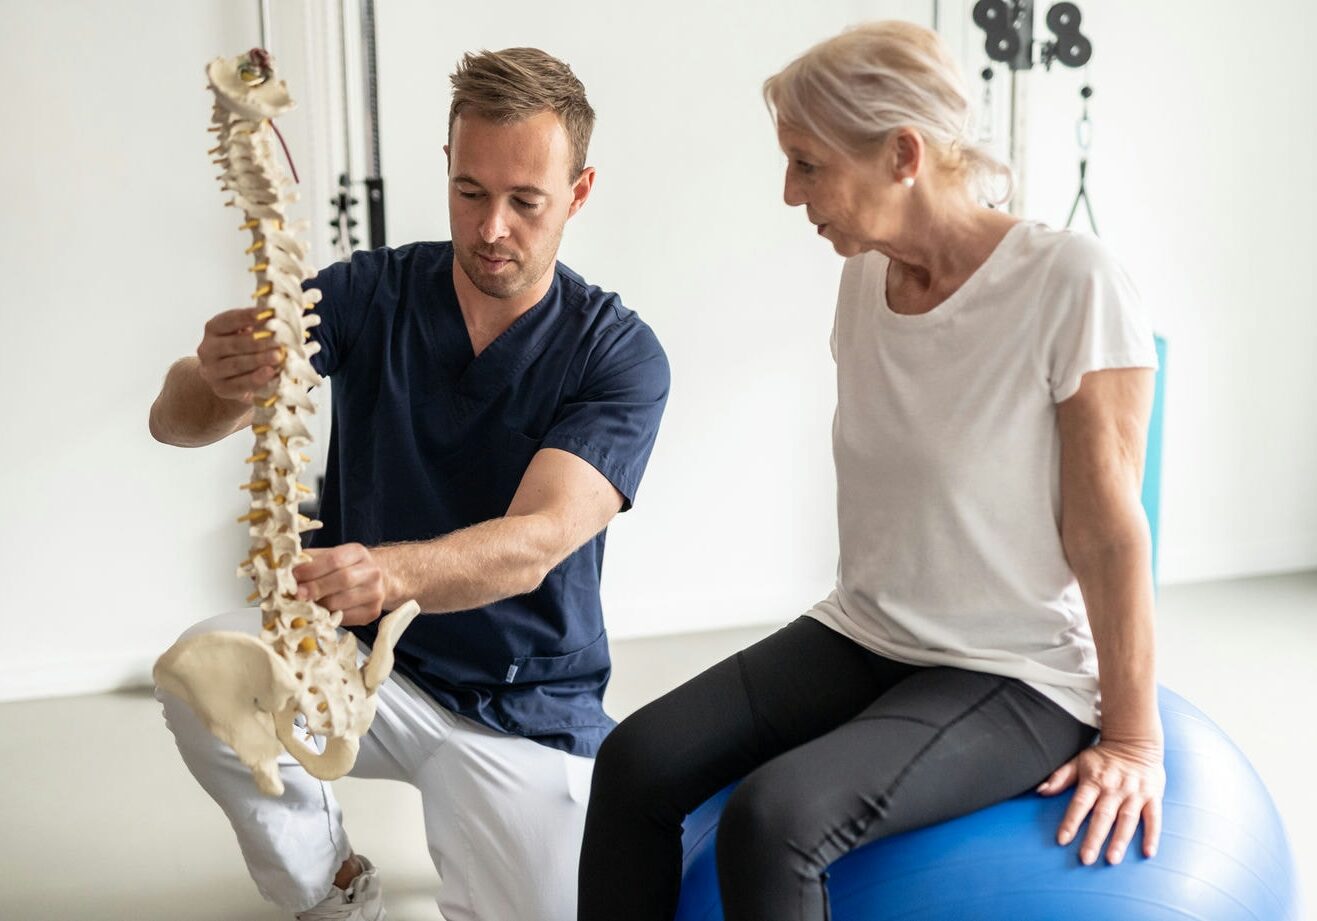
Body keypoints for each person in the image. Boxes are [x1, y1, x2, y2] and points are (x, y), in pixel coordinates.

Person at [577, 21, 1162, 921]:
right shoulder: (864, 275)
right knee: (634, 762)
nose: (787, 192)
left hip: (1011, 668)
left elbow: (1108, 528)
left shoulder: (1069, 284)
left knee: (773, 820)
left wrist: (1131, 736)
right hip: (867, 631)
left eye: (807, 164)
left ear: (901, 154)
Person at [149, 47, 669, 921]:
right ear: (447, 170)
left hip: (518, 699)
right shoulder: (370, 292)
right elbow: (176, 422)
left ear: (577, 195)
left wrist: (387, 574)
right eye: (470, 191)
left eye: (524, 201)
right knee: (199, 672)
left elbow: (538, 540)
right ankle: (330, 888)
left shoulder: (617, 354)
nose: (491, 227)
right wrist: (217, 379)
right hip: (349, 658)